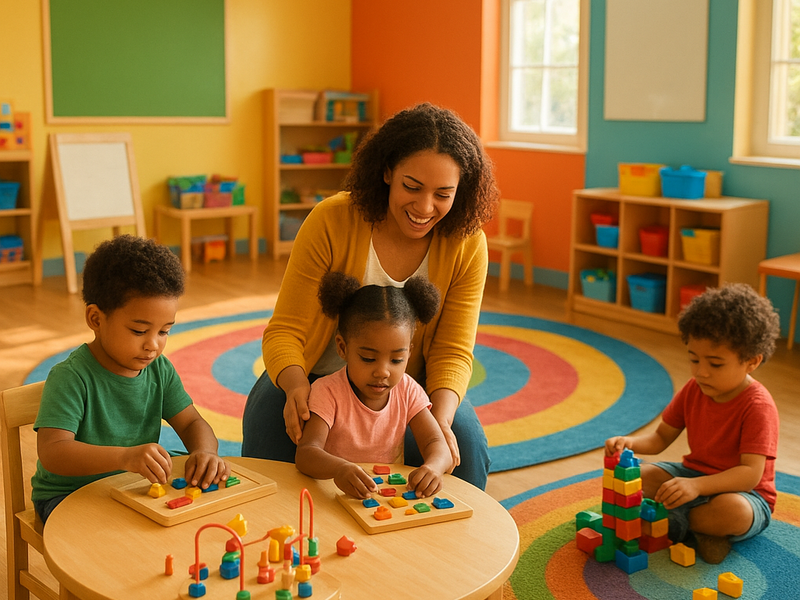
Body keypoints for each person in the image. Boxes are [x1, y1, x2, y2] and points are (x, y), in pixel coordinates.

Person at [243, 102, 498, 489]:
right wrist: (295, 387)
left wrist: (442, 421)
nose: (424, 207)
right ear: (387, 172)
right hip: (313, 376)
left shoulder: (467, 243)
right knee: (269, 432)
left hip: (403, 384)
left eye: (443, 194)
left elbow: (453, 350)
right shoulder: (331, 220)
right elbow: (285, 332)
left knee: (466, 446)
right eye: (412, 187)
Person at [32, 235, 231, 524]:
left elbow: (191, 422)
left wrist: (205, 452)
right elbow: (54, 452)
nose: (153, 345)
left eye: (164, 331)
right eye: (139, 331)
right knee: (126, 539)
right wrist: (124, 457)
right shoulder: (70, 377)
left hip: (130, 484)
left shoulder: (159, 370)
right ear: (96, 319)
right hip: (68, 495)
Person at [605, 283, 781, 564]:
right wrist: (629, 442)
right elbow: (660, 438)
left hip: (744, 493)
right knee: (640, 476)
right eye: (694, 359)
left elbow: (750, 474)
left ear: (751, 361)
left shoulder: (758, 406)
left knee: (733, 512)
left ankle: (678, 523)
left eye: (715, 364)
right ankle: (694, 529)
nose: (701, 372)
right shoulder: (693, 388)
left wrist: (697, 487)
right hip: (692, 474)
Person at [295, 272, 452, 498]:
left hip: (385, 498)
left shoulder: (407, 390)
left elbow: (437, 442)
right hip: (332, 497)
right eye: (368, 358)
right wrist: (339, 469)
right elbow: (306, 453)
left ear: (409, 352)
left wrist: (433, 468)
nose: (383, 372)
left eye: (397, 360)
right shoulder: (327, 391)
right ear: (342, 347)